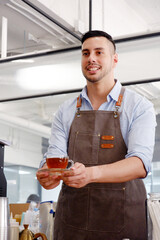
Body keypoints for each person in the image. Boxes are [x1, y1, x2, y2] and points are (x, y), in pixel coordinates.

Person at [36, 30, 156, 240]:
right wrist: (48, 173)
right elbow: (55, 157)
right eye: (85, 53)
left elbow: (139, 164)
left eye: (99, 52)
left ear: (114, 59)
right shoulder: (65, 110)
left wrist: (89, 174)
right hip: (72, 225)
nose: (91, 58)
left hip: (123, 223)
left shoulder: (139, 107)